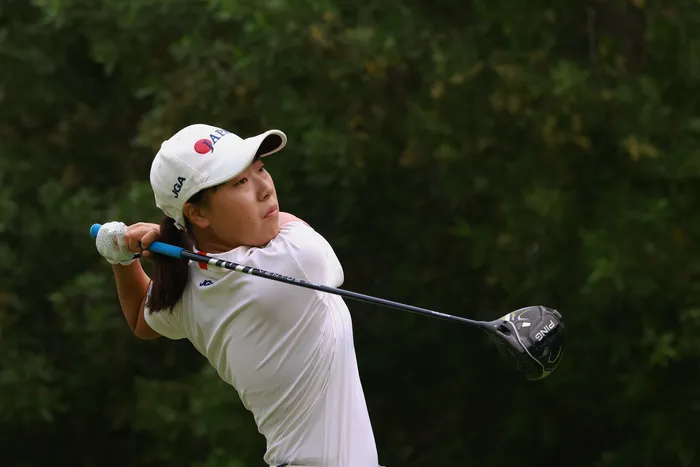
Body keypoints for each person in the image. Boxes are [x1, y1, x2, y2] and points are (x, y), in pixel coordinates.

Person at [94, 124, 382, 467]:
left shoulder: (187, 286)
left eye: (260, 169)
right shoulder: (297, 259)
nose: (265, 189)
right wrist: (167, 240)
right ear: (197, 213)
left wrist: (121, 258)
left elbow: (142, 318)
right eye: (240, 182)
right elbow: (280, 225)